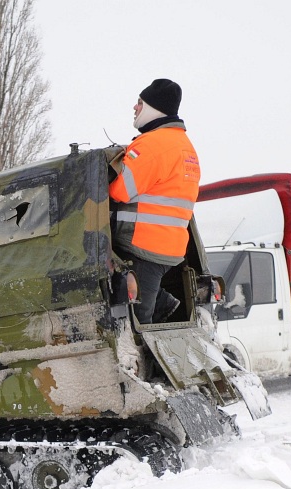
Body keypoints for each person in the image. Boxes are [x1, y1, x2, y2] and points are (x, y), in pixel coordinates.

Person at [109, 78, 201, 323]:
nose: (135, 108)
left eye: (140, 103)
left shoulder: (153, 145)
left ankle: (148, 356)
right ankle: (164, 303)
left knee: (139, 321)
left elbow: (119, 191)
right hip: (169, 245)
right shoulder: (184, 146)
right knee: (141, 294)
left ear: (152, 108)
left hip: (144, 244)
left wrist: (116, 164)